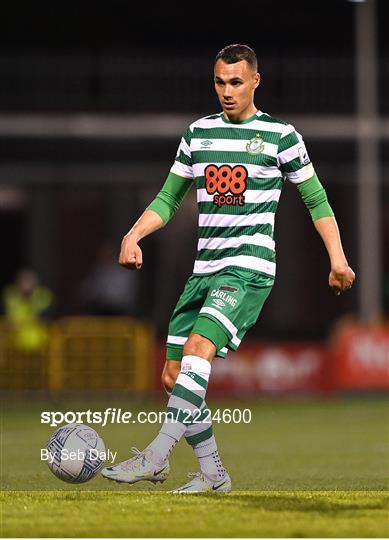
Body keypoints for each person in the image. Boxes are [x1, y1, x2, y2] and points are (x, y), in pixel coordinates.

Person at [102, 44, 355, 492]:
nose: (227, 91)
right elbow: (169, 197)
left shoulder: (281, 135)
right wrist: (133, 234)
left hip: (248, 267)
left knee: (199, 347)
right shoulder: (198, 134)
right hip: (205, 268)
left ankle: (155, 457)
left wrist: (337, 258)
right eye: (219, 81)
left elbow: (316, 199)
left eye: (236, 81)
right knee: (173, 375)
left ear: (256, 81)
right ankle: (213, 473)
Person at [2, 269, 54, 353]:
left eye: (29, 282)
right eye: (23, 282)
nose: (26, 285)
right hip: (14, 345)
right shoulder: (11, 296)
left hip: (40, 345)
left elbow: (49, 316)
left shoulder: (43, 296)